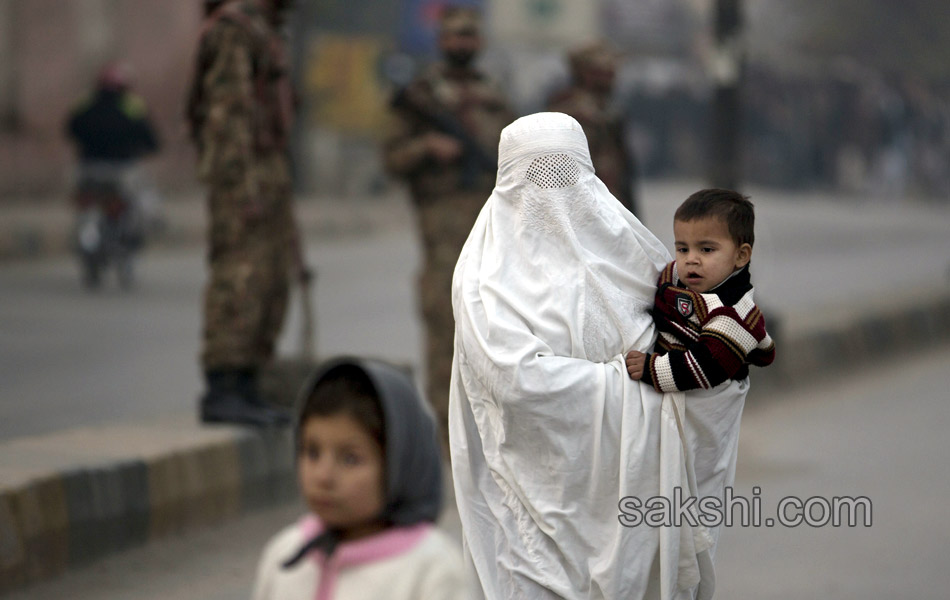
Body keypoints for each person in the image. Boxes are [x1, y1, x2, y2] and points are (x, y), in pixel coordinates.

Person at [451, 112, 748, 599]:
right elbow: (517, 382)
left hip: (632, 503)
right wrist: (634, 383)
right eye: (538, 177)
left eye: (565, 175)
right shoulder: (484, 281)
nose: (554, 193)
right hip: (530, 503)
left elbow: (691, 344)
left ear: (588, 175)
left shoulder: (629, 254)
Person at [381, 5, 513, 432]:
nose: (462, 44)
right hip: (441, 236)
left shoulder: (494, 93)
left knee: (496, 329)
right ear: (441, 41)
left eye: (469, 36)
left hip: (494, 234)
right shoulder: (421, 96)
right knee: (445, 330)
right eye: (454, 36)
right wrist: (427, 147)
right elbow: (391, 159)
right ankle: (447, 427)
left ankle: (489, 426)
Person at [186, 0, 308, 426]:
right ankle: (224, 386)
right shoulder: (236, 30)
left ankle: (248, 383)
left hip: (268, 170)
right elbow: (227, 116)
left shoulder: (266, 30)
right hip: (244, 174)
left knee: (271, 280)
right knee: (240, 277)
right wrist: (241, 189)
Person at [251, 357, 467, 600]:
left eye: (350, 459)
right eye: (312, 452)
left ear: (399, 463)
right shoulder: (284, 556)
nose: (323, 476)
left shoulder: (431, 570)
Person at [625, 189, 775, 392]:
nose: (691, 259)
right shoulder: (678, 274)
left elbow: (706, 368)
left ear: (740, 256)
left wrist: (650, 368)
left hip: (699, 402)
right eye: (683, 249)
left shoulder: (736, 315)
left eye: (706, 250)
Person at [546, 41, 640, 216]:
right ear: (586, 73)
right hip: (584, 208)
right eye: (604, 72)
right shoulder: (570, 113)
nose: (611, 77)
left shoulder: (607, 111)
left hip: (610, 203)